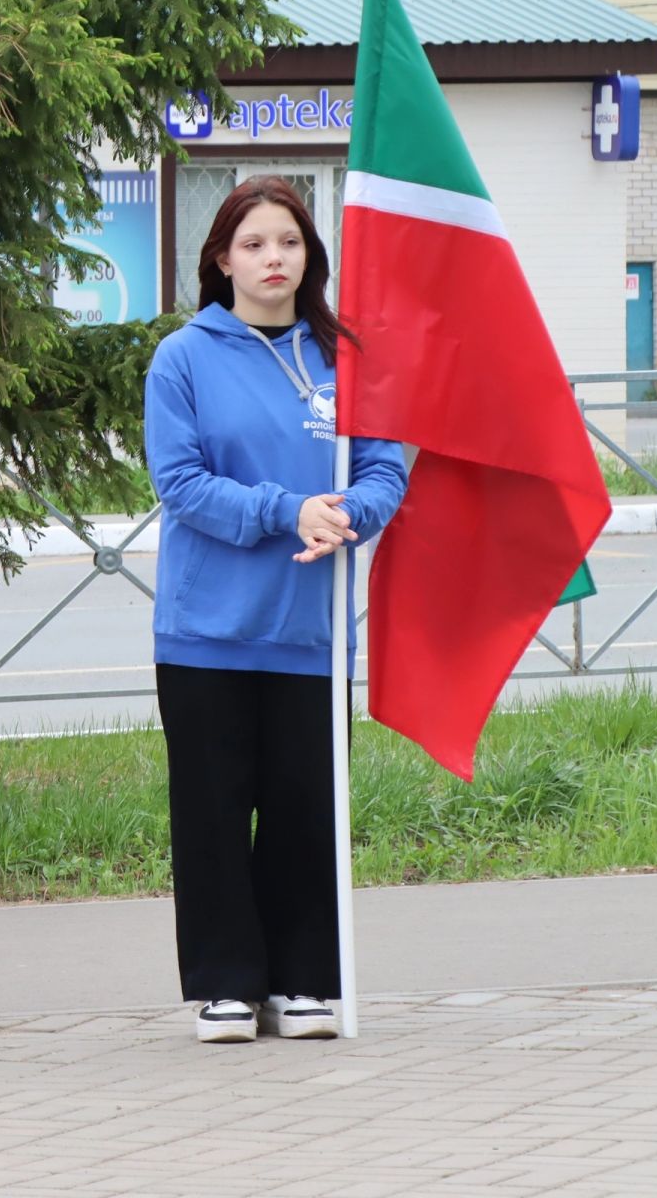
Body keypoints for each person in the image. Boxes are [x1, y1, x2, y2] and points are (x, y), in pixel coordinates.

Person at [143, 175, 408, 1044]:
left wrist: (350, 515)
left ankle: (299, 983)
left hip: (311, 632)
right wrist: (284, 510)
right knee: (214, 809)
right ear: (222, 258)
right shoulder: (183, 358)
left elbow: (383, 470)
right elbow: (181, 486)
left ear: (310, 256)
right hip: (206, 635)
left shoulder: (345, 356)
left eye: (288, 243)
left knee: (304, 806)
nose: (273, 259)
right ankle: (225, 985)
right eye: (254, 244)